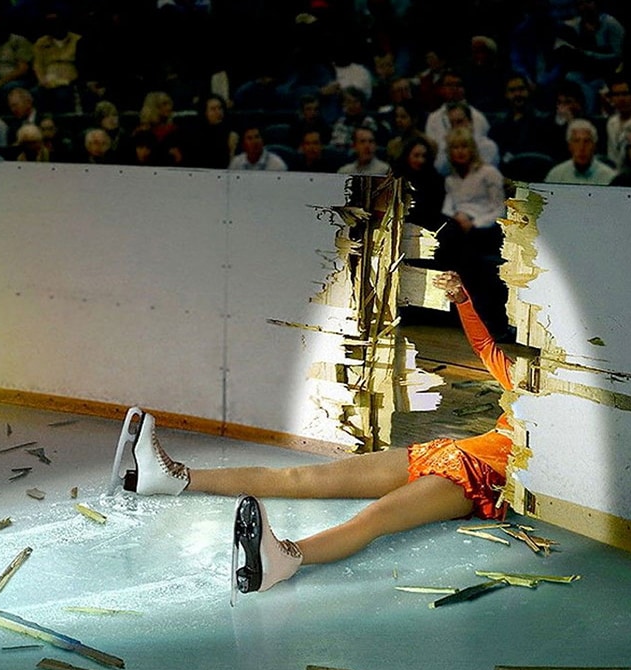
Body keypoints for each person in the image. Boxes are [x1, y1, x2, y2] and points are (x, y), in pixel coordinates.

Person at [109, 270, 514, 595]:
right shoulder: (526, 383)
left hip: (475, 481)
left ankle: (285, 559)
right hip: (444, 453)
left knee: (375, 519)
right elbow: (484, 346)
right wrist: (462, 298)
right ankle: (172, 478)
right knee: (301, 477)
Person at [435, 126, 511, 341]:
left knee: (466, 251)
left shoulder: (489, 174)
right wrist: (460, 218)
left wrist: (473, 220)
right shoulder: (451, 180)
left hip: (489, 229)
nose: (460, 152)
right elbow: (449, 208)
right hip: (462, 231)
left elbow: (499, 209)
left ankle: (491, 323)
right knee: (452, 242)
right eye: (455, 148)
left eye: (464, 147)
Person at [432, 101, 500, 175]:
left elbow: (481, 175)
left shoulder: (487, 146)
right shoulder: (448, 146)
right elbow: (440, 170)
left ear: (470, 122)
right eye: (452, 124)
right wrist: (447, 147)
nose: (456, 127)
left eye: (459, 122)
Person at [544, 117, 616, 184]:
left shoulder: (609, 178)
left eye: (587, 141)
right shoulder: (556, 176)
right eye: (576, 141)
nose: (581, 147)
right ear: (570, 146)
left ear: (594, 146)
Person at [182, 93, 238, 169]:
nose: (218, 112)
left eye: (220, 108)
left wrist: (232, 150)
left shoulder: (231, 134)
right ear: (204, 112)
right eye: (213, 109)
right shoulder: (195, 135)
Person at [603, 74, 631, 169]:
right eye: (616, 95)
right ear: (611, 99)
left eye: (625, 94)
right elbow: (612, 156)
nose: (621, 99)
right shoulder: (611, 123)